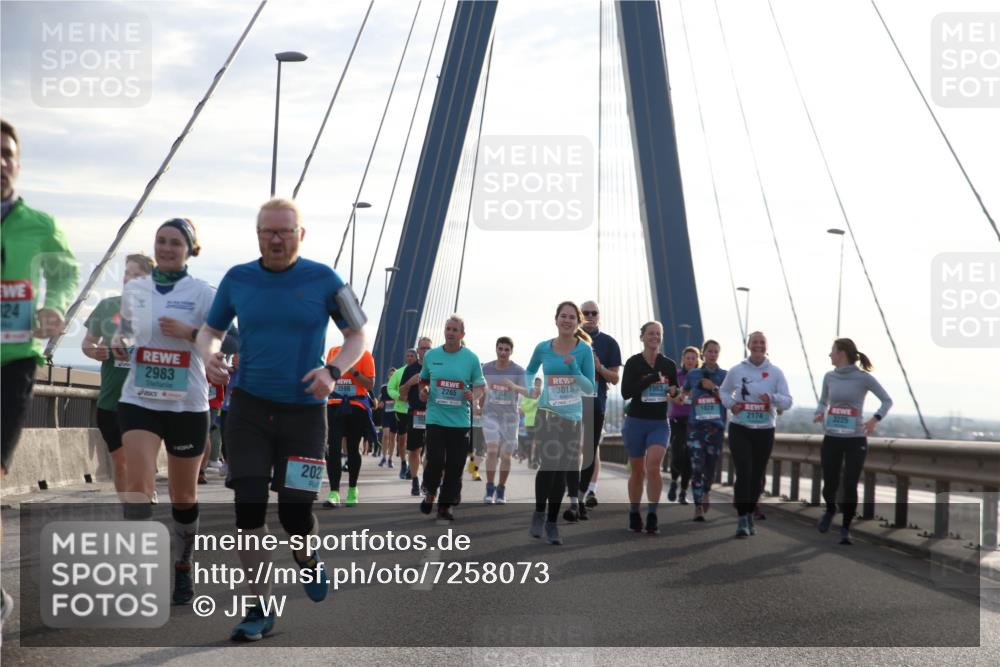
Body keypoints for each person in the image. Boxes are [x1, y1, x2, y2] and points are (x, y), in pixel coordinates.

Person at [197, 198, 366, 641]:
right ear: (257, 235)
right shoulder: (238, 279)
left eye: (284, 232)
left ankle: (308, 557)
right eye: (267, 232)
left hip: (306, 412)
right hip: (250, 407)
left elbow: (357, 336)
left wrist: (333, 372)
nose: (275, 239)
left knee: (294, 514)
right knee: (248, 508)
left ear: (300, 235)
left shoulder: (325, 279)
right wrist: (209, 357)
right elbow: (210, 332)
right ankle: (259, 609)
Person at [112, 218, 216, 606]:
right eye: (161, 241)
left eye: (175, 242)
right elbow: (126, 331)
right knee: (139, 489)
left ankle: (183, 567)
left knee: (183, 496)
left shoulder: (204, 293)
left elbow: (232, 337)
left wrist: (191, 333)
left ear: (190, 249)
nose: (167, 248)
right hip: (139, 398)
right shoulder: (135, 289)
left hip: (186, 403)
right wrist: (121, 342)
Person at [1, 118, 79, 631]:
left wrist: (55, 307)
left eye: (8, 153)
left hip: (13, 362)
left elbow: (66, 271)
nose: (1, 161)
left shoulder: (39, 224)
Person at [81, 253, 154, 495]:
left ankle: (143, 490)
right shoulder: (107, 306)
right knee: (120, 462)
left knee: (139, 459)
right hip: (111, 401)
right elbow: (87, 344)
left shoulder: (157, 312)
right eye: (127, 273)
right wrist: (95, 352)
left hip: (146, 402)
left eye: (138, 275)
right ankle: (130, 509)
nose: (130, 279)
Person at [525, 302, 595, 545]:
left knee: (561, 471)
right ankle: (539, 512)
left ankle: (552, 523)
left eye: (571, 317)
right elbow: (529, 371)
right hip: (548, 413)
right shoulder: (543, 348)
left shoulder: (584, 350)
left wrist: (574, 369)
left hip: (572, 418)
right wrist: (530, 387)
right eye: (562, 316)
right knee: (549, 465)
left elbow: (590, 388)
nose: (567, 320)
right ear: (556, 320)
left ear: (578, 323)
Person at [814, 338, 892, 545]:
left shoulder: (863, 378)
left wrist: (875, 419)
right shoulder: (829, 377)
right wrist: (819, 412)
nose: (829, 355)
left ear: (841, 353)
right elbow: (823, 400)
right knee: (830, 483)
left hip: (855, 439)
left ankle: (846, 528)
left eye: (832, 351)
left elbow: (887, 400)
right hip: (832, 437)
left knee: (850, 483)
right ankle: (831, 509)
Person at [718, 331, 792, 538]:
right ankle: (742, 518)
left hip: (765, 430)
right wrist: (732, 404)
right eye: (755, 342)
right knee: (744, 473)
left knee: (757, 476)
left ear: (766, 346)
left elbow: (787, 400)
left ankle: (750, 512)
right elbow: (723, 392)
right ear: (748, 345)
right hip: (740, 428)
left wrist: (773, 398)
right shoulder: (737, 370)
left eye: (762, 342)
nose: (758, 345)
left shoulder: (776, 373)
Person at [417, 317, 485, 521]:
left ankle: (445, 505)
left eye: (455, 330)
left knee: (455, 465)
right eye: (448, 329)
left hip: (460, 421)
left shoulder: (471, 358)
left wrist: (474, 394)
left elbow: (480, 386)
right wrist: (424, 391)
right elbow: (424, 380)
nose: (451, 332)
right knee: (435, 459)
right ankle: (430, 492)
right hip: (436, 417)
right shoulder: (432, 355)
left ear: (462, 334)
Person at [620, 321, 679, 533]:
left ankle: (653, 514)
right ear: (642, 337)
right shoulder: (633, 363)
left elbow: (675, 392)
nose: (655, 337)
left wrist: (673, 391)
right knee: (637, 471)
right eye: (651, 333)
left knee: (653, 467)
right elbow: (626, 392)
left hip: (659, 423)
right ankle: (634, 512)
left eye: (658, 334)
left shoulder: (669, 364)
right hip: (636, 421)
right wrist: (651, 379)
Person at [578, 300, 621, 511]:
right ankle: (574, 492)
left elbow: (615, 378)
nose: (590, 315)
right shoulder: (568, 339)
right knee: (575, 449)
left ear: (599, 316)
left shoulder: (609, 343)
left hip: (596, 404)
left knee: (590, 449)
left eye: (593, 312)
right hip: (569, 404)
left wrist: (599, 367)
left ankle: (588, 490)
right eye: (585, 312)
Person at [323, 345, 376, 508]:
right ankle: (334, 492)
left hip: (356, 406)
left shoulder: (366, 355)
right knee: (333, 448)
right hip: (335, 403)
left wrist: (352, 370)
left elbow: (370, 385)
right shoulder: (333, 352)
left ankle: (353, 489)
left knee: (353, 448)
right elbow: (327, 377)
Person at [684, 340, 728, 521]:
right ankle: (698, 506)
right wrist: (679, 397)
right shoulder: (693, 374)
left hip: (715, 429)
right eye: (709, 351)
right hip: (695, 428)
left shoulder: (726, 375)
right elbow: (684, 392)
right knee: (697, 467)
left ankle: (707, 490)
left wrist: (714, 388)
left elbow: (729, 400)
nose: (712, 354)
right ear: (703, 353)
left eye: (716, 352)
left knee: (710, 468)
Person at [480, 337, 527, 504]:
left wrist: (514, 387)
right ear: (496, 349)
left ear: (511, 352)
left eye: (506, 350)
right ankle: (489, 487)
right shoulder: (486, 368)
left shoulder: (518, 371)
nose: (503, 352)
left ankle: (501, 489)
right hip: (490, 415)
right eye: (500, 349)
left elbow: (527, 392)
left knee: (506, 455)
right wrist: (476, 402)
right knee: (492, 451)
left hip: (509, 418)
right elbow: (477, 386)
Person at [666, 346, 699, 504]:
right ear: (683, 359)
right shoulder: (676, 375)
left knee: (689, 458)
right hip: (677, 420)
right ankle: (673, 482)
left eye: (693, 358)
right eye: (688, 357)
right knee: (677, 453)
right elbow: (666, 394)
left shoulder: (701, 378)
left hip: (694, 421)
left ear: (697, 360)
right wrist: (676, 397)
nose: (690, 360)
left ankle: (683, 492)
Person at [400, 338, 432, 495]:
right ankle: (414, 480)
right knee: (414, 450)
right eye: (422, 348)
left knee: (431, 451)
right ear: (417, 351)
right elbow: (401, 395)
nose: (425, 351)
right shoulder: (410, 369)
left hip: (434, 414)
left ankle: (426, 480)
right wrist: (409, 384)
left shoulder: (436, 368)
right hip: (415, 414)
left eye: (428, 348)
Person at [388, 350, 416, 476]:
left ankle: (412, 465)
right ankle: (403, 463)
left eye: (412, 356)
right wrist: (399, 396)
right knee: (402, 439)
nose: (409, 358)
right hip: (401, 410)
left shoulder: (421, 371)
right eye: (408, 356)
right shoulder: (399, 372)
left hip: (416, 410)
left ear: (417, 357)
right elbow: (390, 389)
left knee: (415, 439)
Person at [518, 377, 543, 468]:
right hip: (529, 423)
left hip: (539, 424)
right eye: (533, 391)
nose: (535, 392)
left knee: (538, 442)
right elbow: (524, 409)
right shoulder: (527, 399)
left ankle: (536, 460)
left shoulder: (541, 399)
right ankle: (529, 460)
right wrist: (534, 404)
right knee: (530, 442)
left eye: (536, 391)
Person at [377, 368, 397, 467]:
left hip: (395, 415)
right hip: (386, 414)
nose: (392, 377)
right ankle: (383, 457)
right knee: (385, 436)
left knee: (393, 438)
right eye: (390, 375)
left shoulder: (398, 387)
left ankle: (390, 458)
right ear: (388, 376)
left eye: (394, 375)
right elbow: (381, 400)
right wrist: (380, 404)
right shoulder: (384, 387)